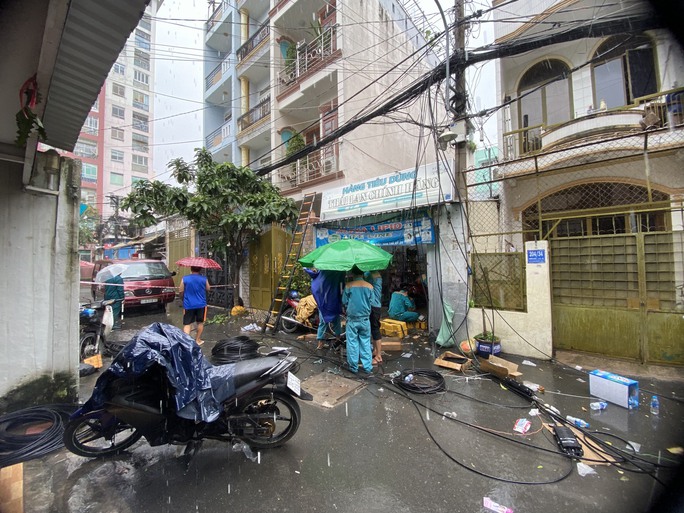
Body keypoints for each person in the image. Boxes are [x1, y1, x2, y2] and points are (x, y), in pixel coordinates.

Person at [341, 266, 374, 375]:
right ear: (363, 274)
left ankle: (353, 367)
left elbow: (344, 301)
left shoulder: (349, 286)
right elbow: (372, 301)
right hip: (365, 319)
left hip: (352, 319)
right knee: (365, 342)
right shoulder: (370, 286)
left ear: (353, 274)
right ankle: (368, 367)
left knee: (352, 342)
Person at [304, 268, 345, 350]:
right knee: (336, 322)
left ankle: (320, 344)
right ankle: (338, 341)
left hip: (323, 301)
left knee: (322, 323)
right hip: (334, 300)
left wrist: (306, 269)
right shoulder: (338, 271)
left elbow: (314, 275)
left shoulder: (322, 271)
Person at [179, 266, 211, 346]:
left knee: (187, 323)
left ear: (191, 269)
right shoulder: (204, 279)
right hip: (201, 305)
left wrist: (182, 298)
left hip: (188, 305)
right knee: (200, 323)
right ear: (200, 269)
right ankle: (198, 340)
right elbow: (208, 288)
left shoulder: (185, 278)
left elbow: (180, 291)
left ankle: (186, 342)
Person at [365, 271, 383, 365]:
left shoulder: (369, 275)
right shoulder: (377, 276)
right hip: (377, 306)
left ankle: (379, 355)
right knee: (374, 329)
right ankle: (376, 351)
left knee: (375, 330)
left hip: (373, 306)